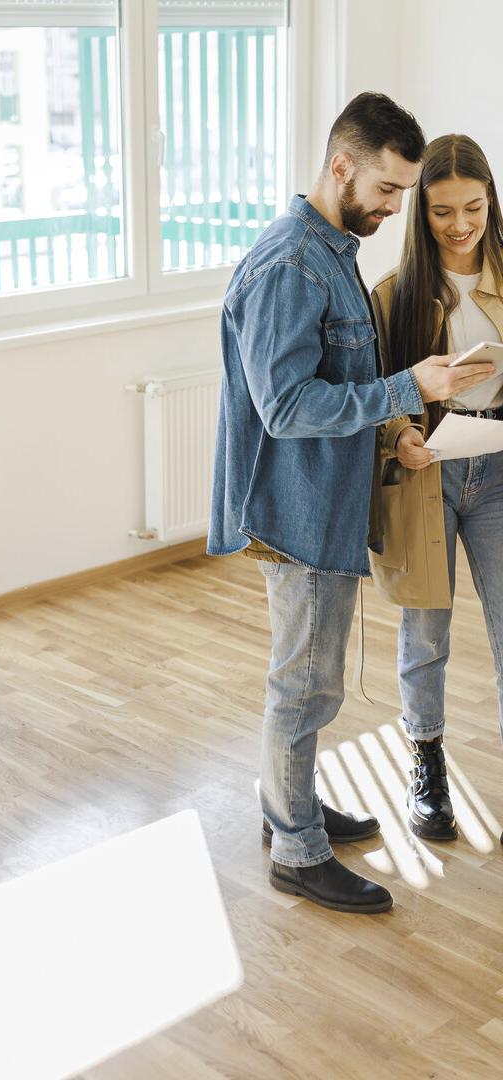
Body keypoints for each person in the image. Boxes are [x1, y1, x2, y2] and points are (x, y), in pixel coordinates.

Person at [207, 93, 496, 915]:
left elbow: (341, 387)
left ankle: (288, 806)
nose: (397, 208)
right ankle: (297, 851)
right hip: (294, 511)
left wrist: (398, 431)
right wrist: (413, 385)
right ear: (341, 166)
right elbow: (286, 408)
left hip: (331, 502)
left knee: (312, 679)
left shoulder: (336, 251)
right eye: (390, 189)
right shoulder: (291, 266)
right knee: (304, 685)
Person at [371, 134, 503, 842]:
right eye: (443, 211)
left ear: (492, 202)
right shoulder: (395, 295)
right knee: (426, 630)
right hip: (429, 476)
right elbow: (377, 395)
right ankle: (427, 764)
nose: (459, 225)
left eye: (474, 208)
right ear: (421, 212)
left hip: (500, 469)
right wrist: (401, 436)